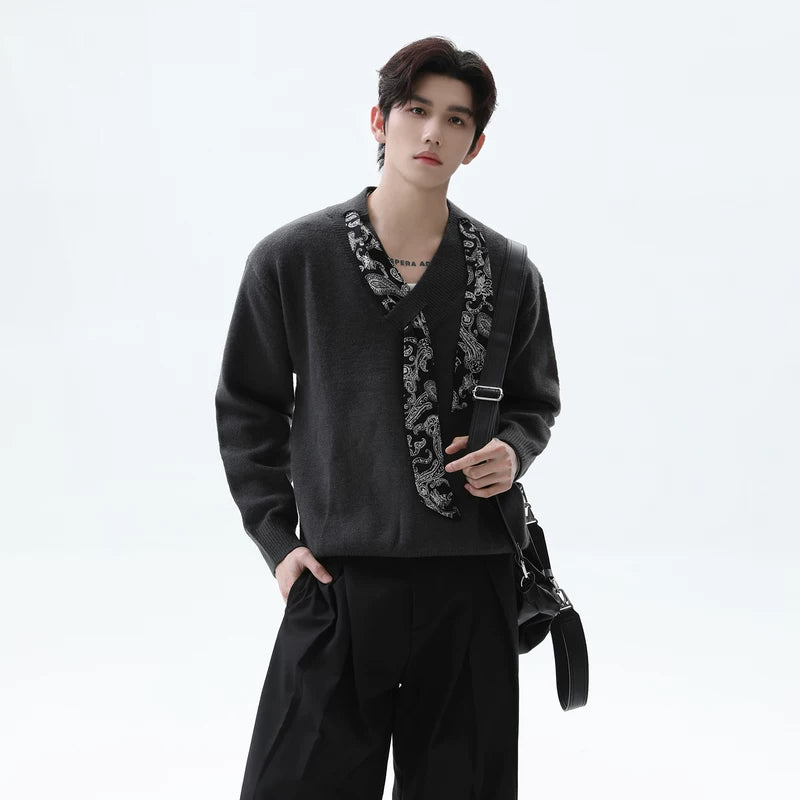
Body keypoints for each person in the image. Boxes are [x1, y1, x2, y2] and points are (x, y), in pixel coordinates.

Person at [215, 35, 561, 800]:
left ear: (475, 144)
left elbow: (534, 401)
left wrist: (512, 450)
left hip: (470, 581)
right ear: (379, 120)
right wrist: (277, 541)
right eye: (415, 109)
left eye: (457, 119)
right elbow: (249, 407)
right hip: (339, 576)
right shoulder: (292, 260)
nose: (433, 132)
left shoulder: (508, 270)